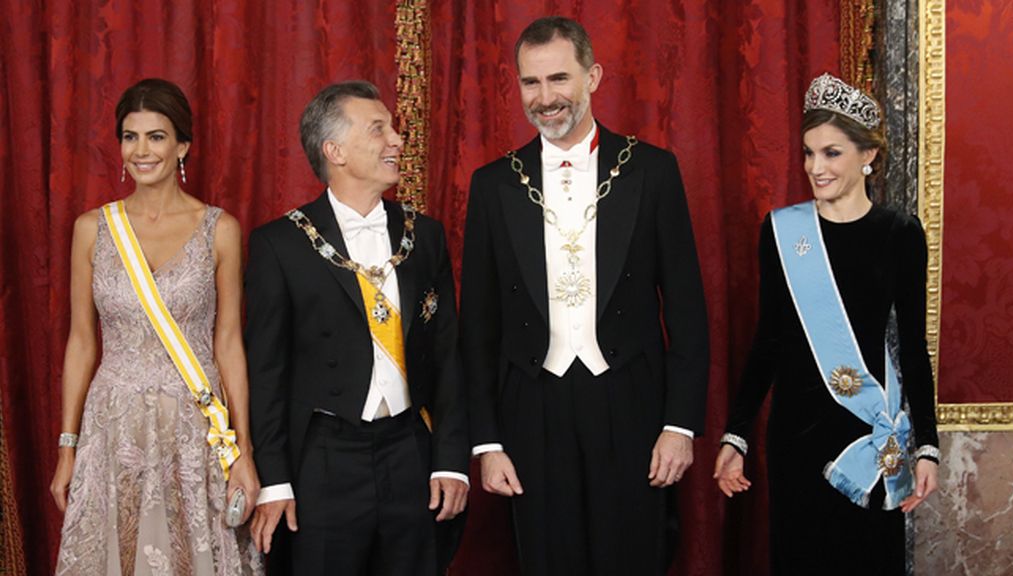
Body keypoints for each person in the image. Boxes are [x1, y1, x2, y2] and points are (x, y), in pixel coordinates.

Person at [460, 16, 709, 575]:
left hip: (630, 404)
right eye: (530, 83)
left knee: (635, 557)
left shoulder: (652, 170)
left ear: (592, 76)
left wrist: (679, 426)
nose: (545, 98)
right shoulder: (494, 184)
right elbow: (476, 326)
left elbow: (688, 313)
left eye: (559, 79)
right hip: (531, 408)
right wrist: (486, 442)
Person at [713, 73, 940, 575]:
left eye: (832, 153)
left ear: (868, 156)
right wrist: (736, 436)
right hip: (797, 435)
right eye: (809, 153)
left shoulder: (899, 234)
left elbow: (913, 346)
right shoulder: (782, 231)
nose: (816, 167)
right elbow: (767, 341)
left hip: (868, 431)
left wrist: (927, 446)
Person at [245, 81, 469, 575]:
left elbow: (450, 355)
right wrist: (275, 480)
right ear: (335, 150)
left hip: (410, 451)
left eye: (393, 127)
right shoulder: (279, 244)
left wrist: (451, 460)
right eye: (378, 129)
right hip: (324, 459)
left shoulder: (424, 236)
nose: (397, 139)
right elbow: (265, 372)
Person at [49, 78, 263, 575]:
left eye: (156, 136)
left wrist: (243, 451)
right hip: (113, 424)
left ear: (183, 145)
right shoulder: (92, 229)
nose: (141, 151)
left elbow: (228, 342)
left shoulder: (220, 229)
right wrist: (68, 447)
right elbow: (81, 342)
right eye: (130, 136)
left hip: (196, 427)